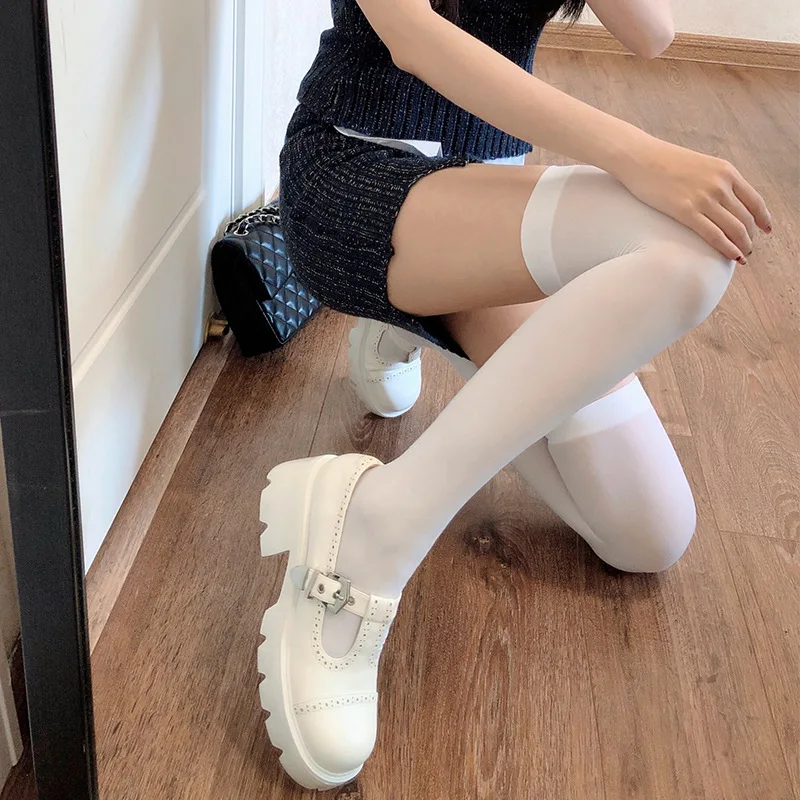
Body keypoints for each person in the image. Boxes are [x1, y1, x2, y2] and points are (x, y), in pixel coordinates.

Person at [256, 0, 772, 790]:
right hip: (356, 172)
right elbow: (415, 40)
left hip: (482, 208)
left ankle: (412, 324)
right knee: (688, 246)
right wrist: (640, 155)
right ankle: (376, 527)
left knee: (649, 536)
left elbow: (652, 32)